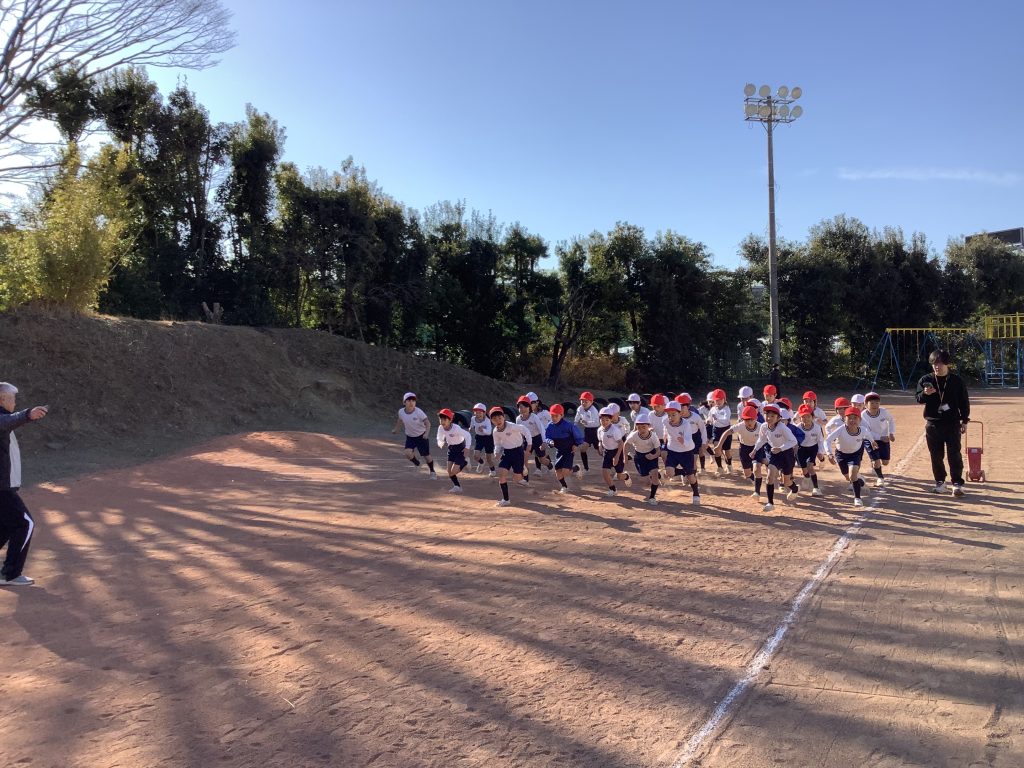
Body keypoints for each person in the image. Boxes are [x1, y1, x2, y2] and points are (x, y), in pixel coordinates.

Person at [1, 382, 49, 587]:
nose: (14, 403)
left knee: (7, 525)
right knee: (25, 523)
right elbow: (8, 421)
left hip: (4, 486)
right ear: (2, 399)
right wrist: (28, 414)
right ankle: (10, 574)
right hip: (1, 489)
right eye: (12, 399)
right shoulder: (2, 418)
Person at [916, 349, 971, 497]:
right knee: (936, 455)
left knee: (954, 454)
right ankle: (940, 482)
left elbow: (964, 402)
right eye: (934, 363)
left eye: (940, 363)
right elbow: (918, 398)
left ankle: (957, 484)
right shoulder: (926, 380)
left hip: (952, 423)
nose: (937, 366)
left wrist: (965, 420)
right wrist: (925, 393)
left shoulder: (956, 381)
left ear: (947, 364)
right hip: (933, 424)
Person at [489, 407, 533, 507]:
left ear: (504, 417)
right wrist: (496, 452)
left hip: (518, 452)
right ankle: (506, 499)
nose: (498, 421)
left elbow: (525, 430)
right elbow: (497, 443)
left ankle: (522, 470)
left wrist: (529, 444)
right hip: (507, 453)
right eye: (494, 419)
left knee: (517, 479)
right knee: (501, 475)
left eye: (499, 418)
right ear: (491, 421)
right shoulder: (495, 431)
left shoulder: (512, 426)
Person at [391, 392, 436, 479]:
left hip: (421, 436)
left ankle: (432, 471)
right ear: (404, 402)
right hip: (410, 437)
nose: (411, 402)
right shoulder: (401, 412)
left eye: (413, 401)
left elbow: (428, 423)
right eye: (409, 400)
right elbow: (400, 420)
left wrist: (426, 433)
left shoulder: (419, 412)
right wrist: (396, 429)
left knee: (426, 456)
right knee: (407, 453)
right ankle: (417, 464)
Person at [544, 404, 585, 493]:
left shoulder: (568, 425)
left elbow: (578, 435)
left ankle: (576, 468)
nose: (554, 418)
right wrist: (549, 441)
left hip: (569, 450)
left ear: (562, 415)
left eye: (556, 416)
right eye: (552, 416)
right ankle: (564, 487)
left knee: (565, 471)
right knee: (557, 470)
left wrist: (576, 444)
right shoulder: (549, 426)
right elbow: (547, 437)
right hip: (559, 451)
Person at [436, 409, 472, 493]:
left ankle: (465, 462)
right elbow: (439, 436)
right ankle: (457, 487)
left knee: (454, 471)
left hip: (460, 448)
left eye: (444, 419)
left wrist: (467, 447)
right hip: (451, 449)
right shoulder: (441, 428)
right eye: (441, 419)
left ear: (450, 420)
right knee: (449, 472)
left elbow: (468, 436)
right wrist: (440, 442)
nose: (442, 421)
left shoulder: (456, 428)